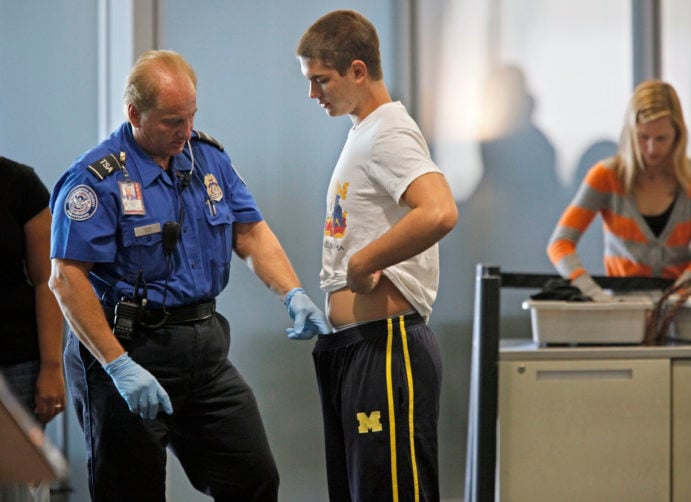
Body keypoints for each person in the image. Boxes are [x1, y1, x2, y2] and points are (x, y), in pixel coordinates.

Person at [48, 49, 329, 502]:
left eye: (190, 117)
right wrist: (119, 366)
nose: (185, 132)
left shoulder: (207, 159)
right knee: (131, 493)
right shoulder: (96, 179)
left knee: (253, 479)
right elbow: (66, 280)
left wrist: (293, 293)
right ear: (135, 113)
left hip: (205, 354)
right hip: (128, 351)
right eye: (171, 122)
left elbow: (251, 232)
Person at [296, 10, 458, 501]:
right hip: (357, 348)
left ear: (358, 71)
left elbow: (439, 211)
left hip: (387, 349)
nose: (313, 95)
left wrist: (364, 263)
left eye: (321, 80)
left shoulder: (387, 132)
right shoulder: (364, 133)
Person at [547, 80, 691, 300]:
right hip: (622, 309)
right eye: (643, 137)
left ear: (678, 135)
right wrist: (592, 292)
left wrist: (675, 297)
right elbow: (560, 243)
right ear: (630, 133)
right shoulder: (606, 176)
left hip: (680, 311)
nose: (652, 149)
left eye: (661, 138)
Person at [0, 156, 65, 502]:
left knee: (16, 490)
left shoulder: (18, 183)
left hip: (15, 363)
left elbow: (47, 281)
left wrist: (52, 368)